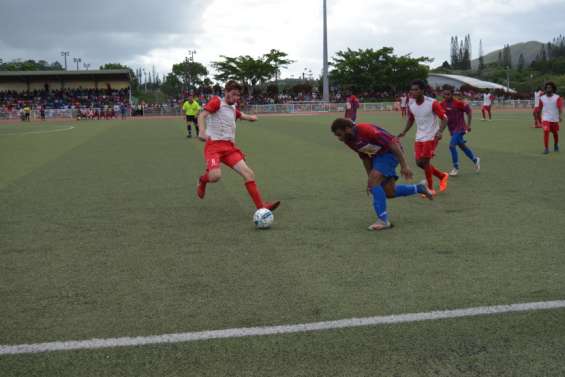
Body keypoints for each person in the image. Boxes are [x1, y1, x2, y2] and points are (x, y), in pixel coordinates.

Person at [331, 118, 433, 231]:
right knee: (389, 192)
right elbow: (365, 157)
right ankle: (418, 188)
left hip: (391, 152)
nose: (339, 138)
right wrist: (370, 178)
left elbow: (392, 143)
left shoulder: (365, 129)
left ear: (347, 129)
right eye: (337, 136)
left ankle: (383, 220)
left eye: (340, 134)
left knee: (375, 181)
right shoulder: (349, 141)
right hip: (377, 156)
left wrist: (404, 165)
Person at [196, 80, 280, 212]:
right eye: (233, 94)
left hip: (229, 148)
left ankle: (261, 206)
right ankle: (202, 180)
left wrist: (251, 117)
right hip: (214, 146)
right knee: (215, 176)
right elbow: (202, 115)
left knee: (249, 173)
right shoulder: (217, 102)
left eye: (238, 95)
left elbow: (241, 115)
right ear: (226, 92)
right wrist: (201, 131)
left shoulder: (233, 108)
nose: (236, 98)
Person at [399, 80, 449, 195]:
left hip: (432, 136)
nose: (413, 92)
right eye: (412, 90)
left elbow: (445, 118)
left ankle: (430, 189)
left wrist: (440, 131)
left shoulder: (432, 103)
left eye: (416, 89)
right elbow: (411, 119)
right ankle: (442, 176)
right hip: (419, 136)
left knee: (425, 162)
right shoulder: (411, 104)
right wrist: (404, 131)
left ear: (422, 90)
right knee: (419, 163)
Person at [440, 86, 480, 176]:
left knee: (451, 146)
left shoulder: (458, 103)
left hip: (460, 128)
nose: (446, 96)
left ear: (452, 94)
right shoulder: (442, 104)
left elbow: (469, 112)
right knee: (462, 146)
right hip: (452, 129)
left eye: (448, 94)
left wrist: (468, 125)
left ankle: (455, 168)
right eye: (444, 94)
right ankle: (475, 159)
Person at [539, 81, 562, 154]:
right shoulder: (542, 98)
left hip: (554, 119)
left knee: (555, 133)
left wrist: (560, 116)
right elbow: (539, 108)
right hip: (545, 118)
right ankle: (546, 148)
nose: (548, 89)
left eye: (550, 87)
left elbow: (560, 108)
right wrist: (539, 118)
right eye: (547, 87)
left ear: (553, 89)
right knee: (546, 131)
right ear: (545, 89)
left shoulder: (557, 97)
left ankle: (556, 144)